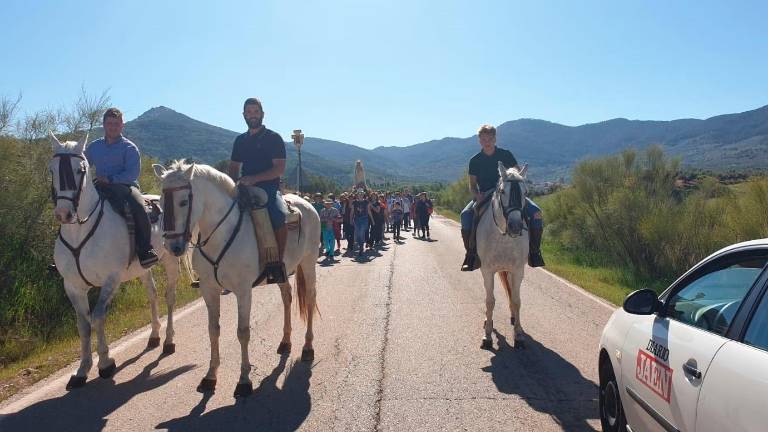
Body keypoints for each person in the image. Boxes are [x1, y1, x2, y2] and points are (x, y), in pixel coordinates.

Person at [460, 124, 545, 271]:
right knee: (466, 215)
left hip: (510, 193)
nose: (487, 141)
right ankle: (471, 255)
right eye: (484, 138)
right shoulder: (475, 160)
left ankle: (534, 252)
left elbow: (517, 175)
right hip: (486, 194)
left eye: (490, 138)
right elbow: (472, 185)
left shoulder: (506, 155)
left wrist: (516, 180)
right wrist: (477, 195)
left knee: (536, 213)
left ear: (495, 139)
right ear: (479, 140)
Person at [86, 107, 158, 268]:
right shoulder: (93, 147)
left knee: (139, 208)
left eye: (116, 124)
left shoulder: (129, 148)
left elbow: (132, 174)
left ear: (122, 126)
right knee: (74, 205)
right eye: (109, 123)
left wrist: (110, 179)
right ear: (103, 125)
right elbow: (83, 166)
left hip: (125, 187)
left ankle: (145, 250)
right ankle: (67, 253)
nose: (112, 127)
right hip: (100, 186)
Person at [228, 97, 289, 282]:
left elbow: (279, 169)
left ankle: (277, 264)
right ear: (244, 115)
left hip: (268, 187)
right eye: (249, 112)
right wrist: (232, 185)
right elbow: (233, 168)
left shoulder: (273, 138)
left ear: (262, 114)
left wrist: (254, 179)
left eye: (256, 112)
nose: (252, 115)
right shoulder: (240, 141)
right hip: (244, 187)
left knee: (278, 214)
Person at [351, 189, 372, 256]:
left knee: (361, 232)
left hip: (364, 219)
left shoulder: (366, 202)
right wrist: (350, 220)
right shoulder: (354, 202)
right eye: (359, 194)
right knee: (358, 234)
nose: (360, 195)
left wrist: (372, 219)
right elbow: (352, 212)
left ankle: (361, 248)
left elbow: (369, 211)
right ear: (357, 195)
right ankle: (361, 245)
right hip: (356, 219)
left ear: (363, 195)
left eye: (361, 194)